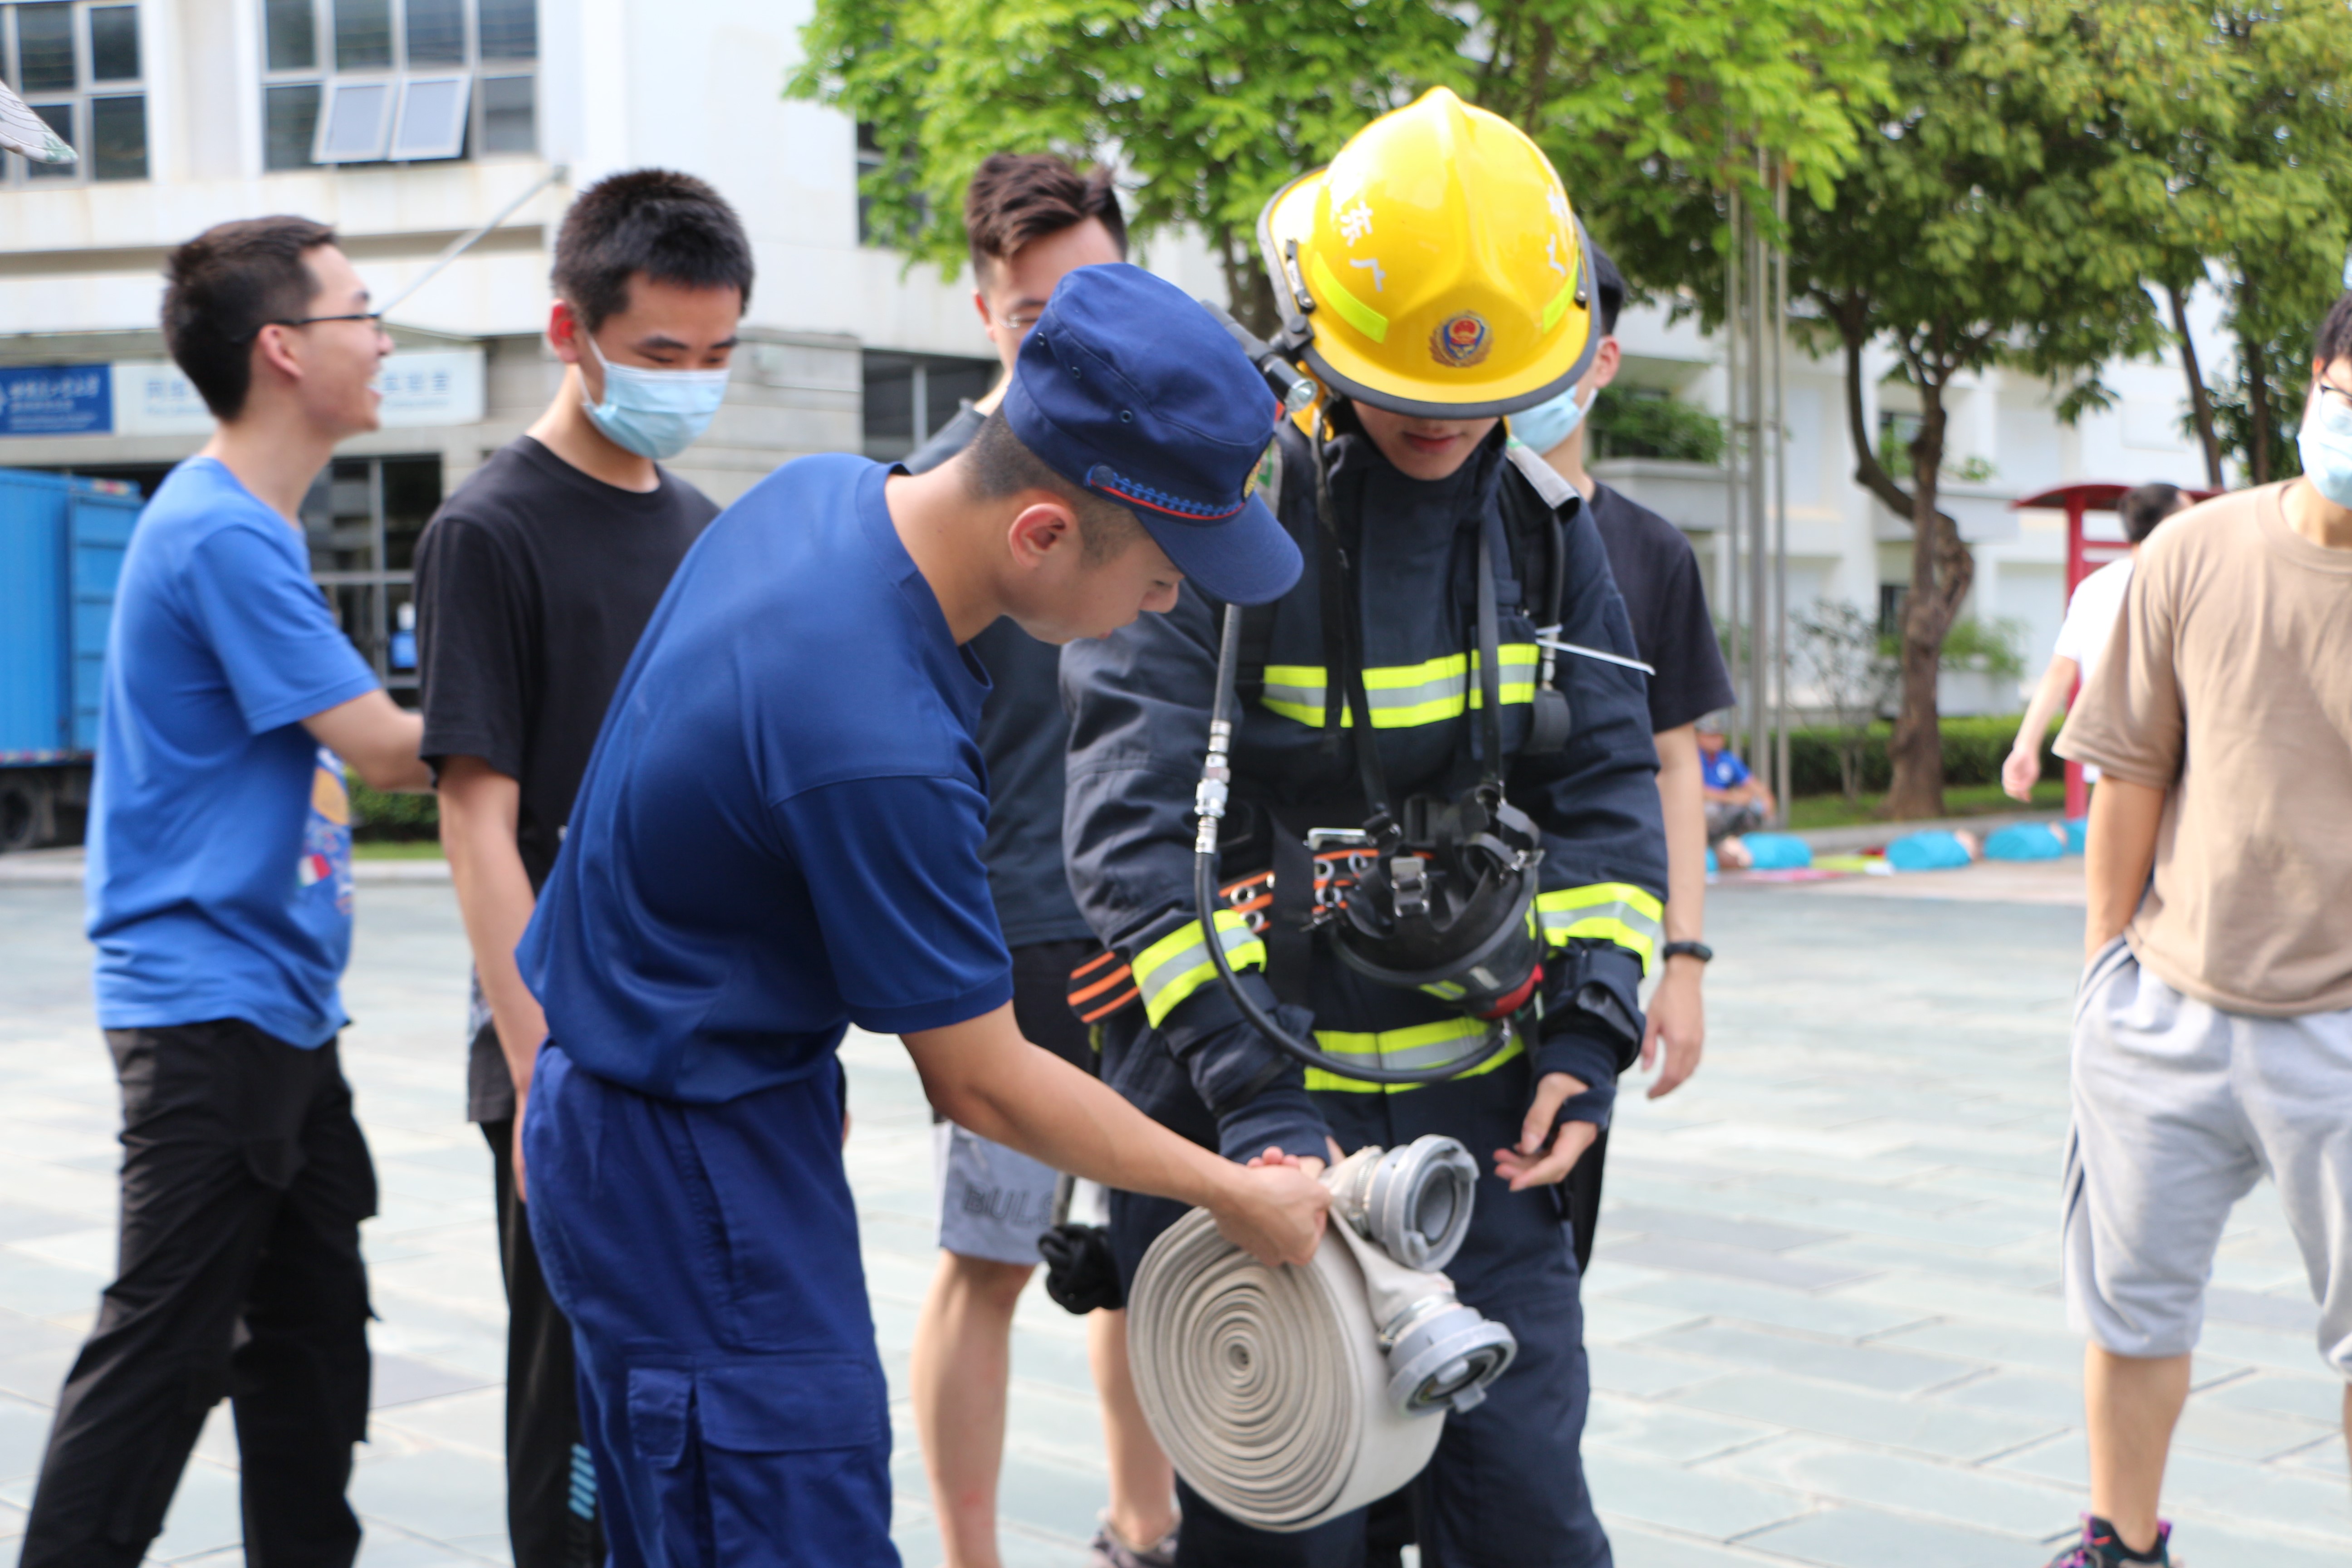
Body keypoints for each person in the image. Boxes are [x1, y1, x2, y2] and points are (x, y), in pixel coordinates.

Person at [512, 262, 1330, 1568]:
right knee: (783, 1520)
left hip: (635, 1107)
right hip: (691, 1159)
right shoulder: (872, 733)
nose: (1170, 604)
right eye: (1168, 571)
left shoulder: (820, 497)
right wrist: (1228, 1189)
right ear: (1045, 534)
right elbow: (986, 1085)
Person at [1062, 89, 1667, 1567]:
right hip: (1253, 1131)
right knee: (1293, 1527)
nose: (1444, 420)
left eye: (1479, 397)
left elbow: (1601, 793)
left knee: (1524, 1515)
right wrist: (1256, 1114)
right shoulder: (1219, 513)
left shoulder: (1543, 527)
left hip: (1486, 1138)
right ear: (1314, 333)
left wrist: (1590, 1035)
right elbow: (1132, 843)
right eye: (1407, 390)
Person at [22, 217, 432, 1568]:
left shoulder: (243, 523)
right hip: (211, 1010)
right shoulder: (219, 533)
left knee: (311, 1341)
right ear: (283, 349)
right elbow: (384, 748)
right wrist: (585, 721)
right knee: (166, 1348)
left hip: (277, 1010)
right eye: (361, 313)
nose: (381, 339)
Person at [413, 168, 751, 1568]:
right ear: (574, 329)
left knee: (710, 1409)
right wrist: (546, 1076)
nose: (691, 382)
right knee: (577, 1424)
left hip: (710, 1049)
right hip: (569, 1053)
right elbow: (477, 822)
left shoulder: (708, 531)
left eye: (719, 355)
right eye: (661, 355)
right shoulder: (486, 532)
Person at [900, 154, 1180, 1568]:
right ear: (981, 313)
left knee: (1150, 1253)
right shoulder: (940, 496)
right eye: (1026, 315)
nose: (1054, 334)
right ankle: (969, 1555)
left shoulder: (1174, 475)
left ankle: (1147, 1524)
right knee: (992, 1257)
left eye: (1081, 302)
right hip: (1007, 948)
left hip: (1164, 937)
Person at [2043, 295, 2352, 1568]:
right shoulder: (2194, 553)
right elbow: (2129, 771)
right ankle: (2123, 1545)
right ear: (2323, 378)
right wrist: (2104, 978)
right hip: (2165, 1007)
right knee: (2130, 1312)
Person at [1515, 240, 1736, 1271]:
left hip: (1577, 974)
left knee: (1550, 1252)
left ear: (1600, 360)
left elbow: (1673, 764)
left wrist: (1679, 961)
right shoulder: (1431, 523)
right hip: (1413, 963)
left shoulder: (1648, 552)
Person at [2001, 482, 2192, 803]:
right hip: (2176, 757)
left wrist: (2025, 746)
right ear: (2171, 526)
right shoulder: (2184, 583)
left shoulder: (2094, 588)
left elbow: (2059, 671)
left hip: (2110, 757)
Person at [1695, 712, 1774, 867]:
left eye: (1719, 735)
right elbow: (1696, 793)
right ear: (1699, 737)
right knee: (1710, 811)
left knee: (1754, 807)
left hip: (1724, 811)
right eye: (1710, 736)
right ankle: (1712, 847)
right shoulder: (1693, 758)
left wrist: (1766, 798)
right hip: (1703, 811)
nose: (1716, 740)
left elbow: (1754, 786)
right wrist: (1732, 797)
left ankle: (1735, 844)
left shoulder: (1726, 759)